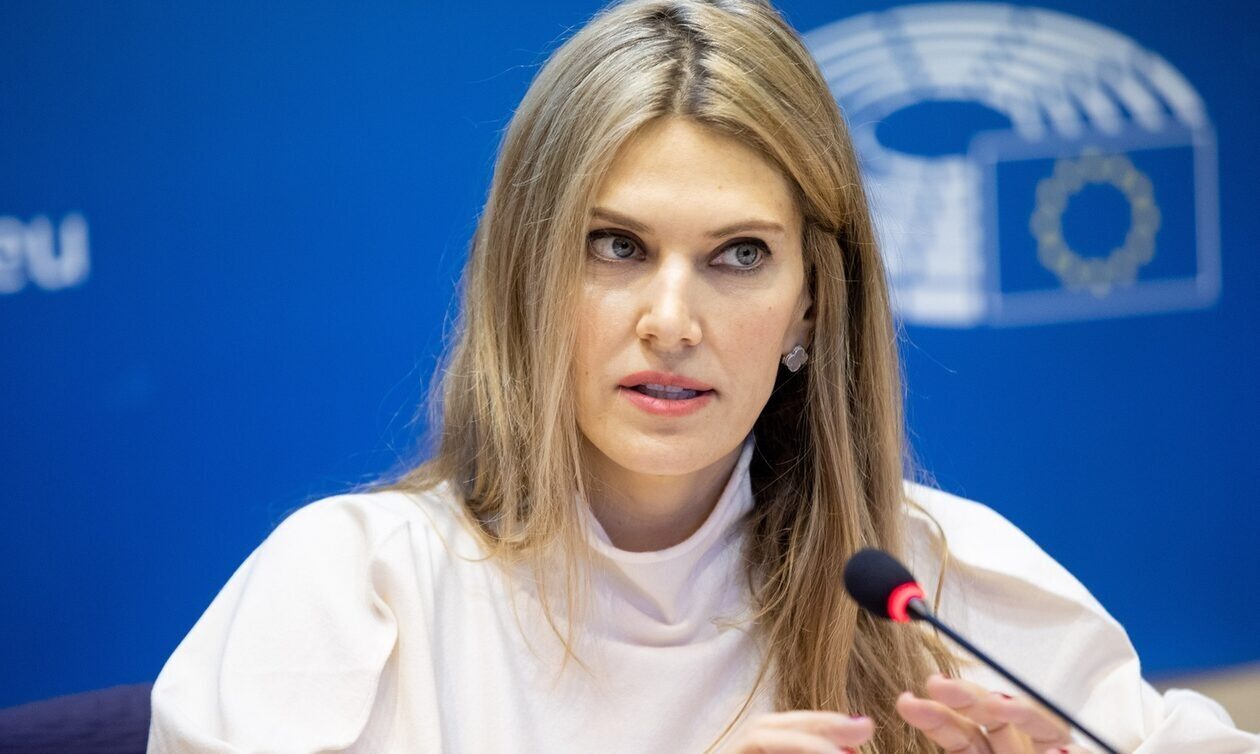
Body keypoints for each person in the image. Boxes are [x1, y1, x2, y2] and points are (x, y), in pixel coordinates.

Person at [147, 1, 1257, 752]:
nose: (671, 322)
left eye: (739, 256)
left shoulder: (928, 583)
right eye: (616, 246)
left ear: (810, 305)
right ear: (526, 274)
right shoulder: (356, 595)